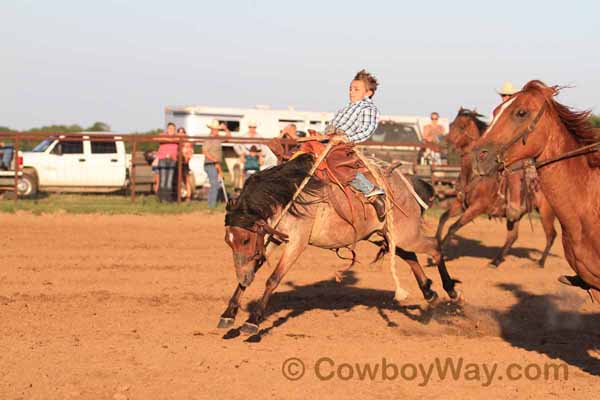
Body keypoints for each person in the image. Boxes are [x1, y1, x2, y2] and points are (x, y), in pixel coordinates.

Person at [324, 69, 385, 220]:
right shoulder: (345, 109)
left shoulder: (368, 109)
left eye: (356, 89)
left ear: (368, 93)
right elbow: (332, 125)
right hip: (330, 141)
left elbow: (367, 130)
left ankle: (371, 191)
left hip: (344, 146)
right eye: (350, 89)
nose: (351, 92)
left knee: (335, 162)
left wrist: (345, 138)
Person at [203, 119, 231, 208]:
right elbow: (205, 151)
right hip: (210, 163)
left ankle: (211, 204)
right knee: (214, 183)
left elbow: (229, 137)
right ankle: (211, 205)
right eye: (215, 129)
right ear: (211, 129)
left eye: (217, 129)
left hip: (216, 163)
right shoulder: (209, 139)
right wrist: (214, 160)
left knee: (215, 183)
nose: (216, 131)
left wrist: (225, 129)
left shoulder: (218, 138)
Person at [155, 122, 179, 201]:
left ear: (175, 130)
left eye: (173, 128)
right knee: (162, 180)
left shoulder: (177, 136)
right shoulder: (162, 135)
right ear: (167, 129)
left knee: (169, 180)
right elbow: (157, 138)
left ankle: (167, 199)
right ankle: (162, 199)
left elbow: (182, 138)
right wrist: (171, 140)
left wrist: (168, 140)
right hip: (162, 159)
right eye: (170, 128)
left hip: (172, 159)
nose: (171, 130)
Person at [178, 127, 194, 201]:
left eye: (182, 132)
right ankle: (180, 195)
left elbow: (190, 152)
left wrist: (187, 158)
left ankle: (188, 196)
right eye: (179, 132)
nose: (181, 133)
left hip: (184, 163)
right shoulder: (176, 141)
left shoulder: (187, 142)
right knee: (179, 180)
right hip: (177, 162)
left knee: (186, 179)